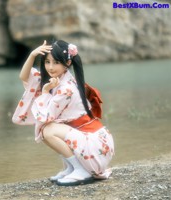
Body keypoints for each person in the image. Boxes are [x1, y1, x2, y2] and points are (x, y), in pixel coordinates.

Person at [12, 40, 114, 186]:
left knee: (47, 130)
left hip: (95, 144)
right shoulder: (56, 79)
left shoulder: (66, 87)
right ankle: (72, 167)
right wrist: (32, 55)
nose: (51, 67)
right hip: (86, 139)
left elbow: (46, 117)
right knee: (45, 131)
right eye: (47, 62)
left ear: (67, 63)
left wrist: (46, 92)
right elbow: (25, 76)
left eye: (56, 62)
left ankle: (81, 170)